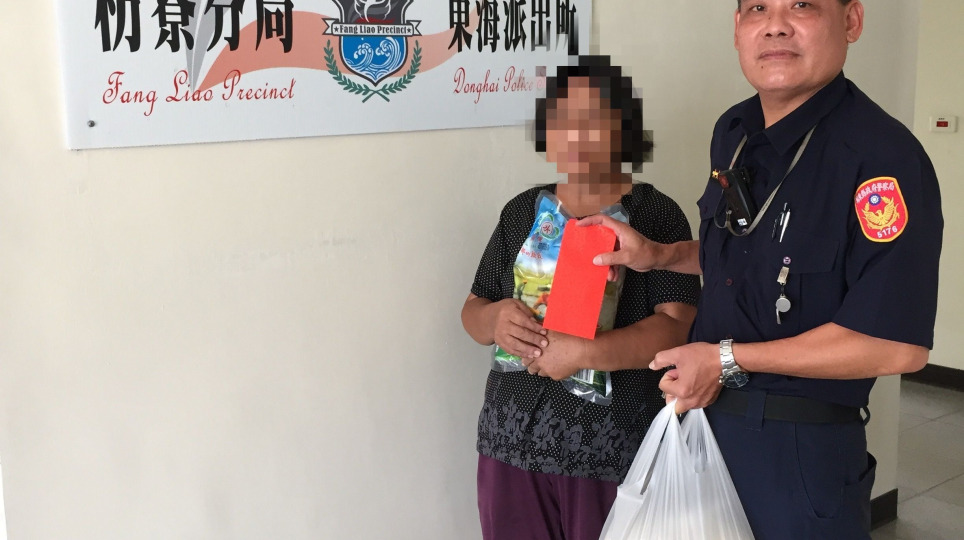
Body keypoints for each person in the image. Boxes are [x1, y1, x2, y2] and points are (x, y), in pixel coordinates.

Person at [583, 1, 943, 538]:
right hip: (705, 425)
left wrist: (726, 360)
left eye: (802, 5)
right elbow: (750, 255)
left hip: (797, 452)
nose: (775, 25)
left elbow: (896, 346)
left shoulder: (880, 158)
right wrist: (659, 255)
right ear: (737, 28)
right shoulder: (735, 131)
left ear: (851, 21)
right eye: (757, 8)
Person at [460, 55, 701, 540]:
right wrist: (495, 320)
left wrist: (585, 353)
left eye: (593, 119)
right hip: (510, 444)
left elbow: (677, 327)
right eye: (563, 119)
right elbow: (473, 310)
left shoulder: (655, 214)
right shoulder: (522, 213)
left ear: (623, 128)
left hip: (611, 451)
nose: (576, 135)